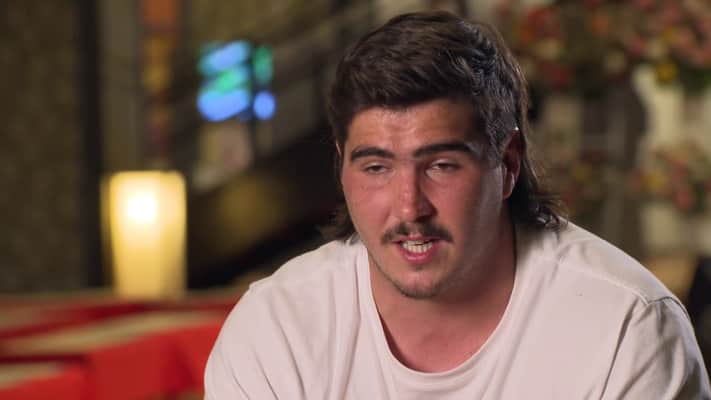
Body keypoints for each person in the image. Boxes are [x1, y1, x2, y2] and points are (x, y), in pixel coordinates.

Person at [205, 11, 711, 399]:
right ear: (342, 167)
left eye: (442, 165)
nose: (409, 208)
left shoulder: (625, 326)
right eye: (377, 167)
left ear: (507, 164)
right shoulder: (277, 328)